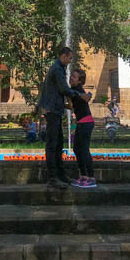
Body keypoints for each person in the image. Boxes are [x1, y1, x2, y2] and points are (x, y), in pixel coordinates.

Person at [39, 46, 74, 188]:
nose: (70, 61)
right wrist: (78, 95)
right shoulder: (57, 68)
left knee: (59, 143)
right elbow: (64, 89)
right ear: (64, 56)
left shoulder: (59, 68)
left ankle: (60, 174)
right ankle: (53, 178)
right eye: (70, 58)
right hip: (52, 110)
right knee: (52, 144)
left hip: (56, 109)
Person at [68, 69, 95, 188]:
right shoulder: (73, 91)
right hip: (81, 123)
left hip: (86, 122)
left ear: (79, 81)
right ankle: (83, 176)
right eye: (71, 76)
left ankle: (91, 178)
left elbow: (86, 97)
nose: (71, 78)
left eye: (74, 77)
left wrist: (87, 95)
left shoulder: (77, 90)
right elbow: (72, 107)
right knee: (76, 149)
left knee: (83, 150)